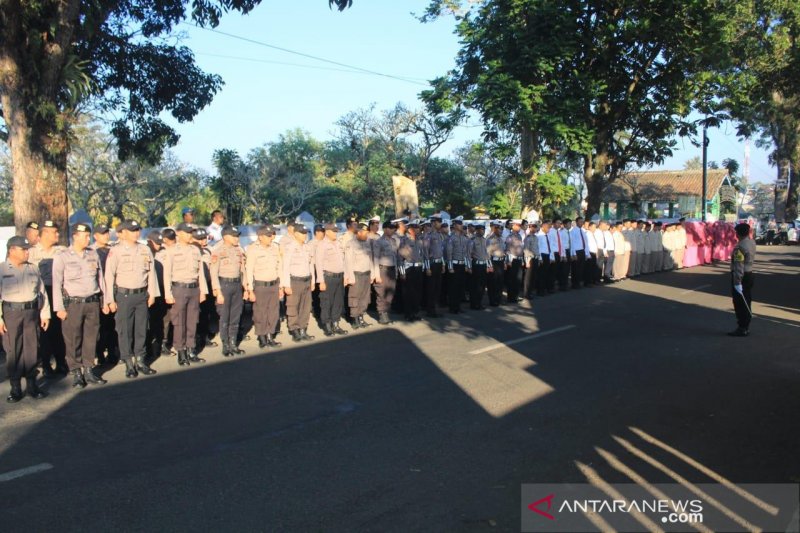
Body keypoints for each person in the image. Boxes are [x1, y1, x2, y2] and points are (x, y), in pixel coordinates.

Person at [52, 223, 110, 388]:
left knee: (91, 338)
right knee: (73, 338)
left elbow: (100, 279)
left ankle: (89, 369)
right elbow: (57, 283)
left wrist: (104, 301)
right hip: (74, 304)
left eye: (88, 235)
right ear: (75, 236)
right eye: (84, 236)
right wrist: (59, 308)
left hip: (92, 301)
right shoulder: (62, 256)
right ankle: (76, 371)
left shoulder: (93, 254)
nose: (87, 239)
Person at [104, 220, 158, 378]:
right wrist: (110, 299)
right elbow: (109, 276)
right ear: (124, 233)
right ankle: (128, 362)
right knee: (125, 330)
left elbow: (151, 273)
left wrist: (152, 293)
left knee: (141, 329)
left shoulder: (145, 249)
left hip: (141, 295)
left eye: (137, 230)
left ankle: (141, 361)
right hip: (124, 296)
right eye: (132, 230)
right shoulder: (116, 251)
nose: (136, 233)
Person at [1, 236, 50, 402]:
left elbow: (42, 293)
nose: (27, 252)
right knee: (13, 350)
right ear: (12, 250)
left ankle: (32, 385)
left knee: (32, 349)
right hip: (11, 313)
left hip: (31, 313)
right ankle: (15, 388)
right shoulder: (2, 269)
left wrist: (45, 314)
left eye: (28, 249)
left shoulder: (33, 269)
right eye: (24, 249)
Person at [163, 223, 208, 366]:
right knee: (179, 321)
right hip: (179, 288)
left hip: (194, 288)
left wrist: (203, 290)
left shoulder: (195, 250)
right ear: (179, 233)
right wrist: (168, 293)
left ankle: (191, 349)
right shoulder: (171, 251)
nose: (190, 235)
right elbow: (167, 274)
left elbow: (200, 271)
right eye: (187, 232)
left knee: (192, 320)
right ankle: (181, 351)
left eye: (191, 232)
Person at [28, 220, 67, 376]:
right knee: (44, 331)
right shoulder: (31, 252)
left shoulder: (62, 251)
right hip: (40, 294)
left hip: (58, 292)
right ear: (44, 234)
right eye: (54, 232)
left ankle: (61, 362)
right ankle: (45, 364)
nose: (57, 234)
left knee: (59, 330)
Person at [210, 225, 247, 357]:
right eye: (234, 236)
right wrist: (218, 291)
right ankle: (225, 345)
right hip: (224, 285)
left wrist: (246, 287)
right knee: (225, 316)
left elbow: (243, 270)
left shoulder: (239, 250)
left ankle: (233, 343)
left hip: (237, 285)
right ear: (225, 237)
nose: (237, 238)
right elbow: (213, 273)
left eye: (237, 236)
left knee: (236, 315)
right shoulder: (217, 250)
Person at [245, 224, 284, 348]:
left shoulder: (274, 248)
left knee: (273, 312)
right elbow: (249, 270)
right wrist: (250, 289)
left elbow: (279, 267)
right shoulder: (253, 249)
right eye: (267, 236)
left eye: (270, 236)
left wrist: (281, 286)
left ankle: (270, 336)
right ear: (260, 237)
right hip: (260, 286)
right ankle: (262, 337)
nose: (270, 238)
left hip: (273, 284)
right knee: (260, 312)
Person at [281, 223, 316, 342]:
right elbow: (285, 266)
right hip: (294, 281)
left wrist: (313, 281)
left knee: (305, 307)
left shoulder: (307, 247)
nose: (305, 235)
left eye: (306, 233)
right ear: (296, 234)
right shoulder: (290, 247)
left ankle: (303, 329)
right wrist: (286, 284)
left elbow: (311, 264)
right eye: (302, 233)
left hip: (306, 280)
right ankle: (294, 330)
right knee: (293, 307)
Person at [315, 222, 348, 336]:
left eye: (336, 231)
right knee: (326, 302)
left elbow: (343, 261)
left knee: (338, 302)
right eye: (334, 231)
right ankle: (327, 325)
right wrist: (321, 281)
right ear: (327, 232)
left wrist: (346, 276)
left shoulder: (338, 243)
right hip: (328, 277)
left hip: (339, 276)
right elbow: (318, 264)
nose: (336, 233)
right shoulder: (322, 245)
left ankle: (336, 324)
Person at [93, 223, 118, 366]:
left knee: (112, 324)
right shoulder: (91, 251)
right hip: (100, 292)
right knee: (100, 325)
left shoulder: (112, 250)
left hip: (114, 291)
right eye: (103, 233)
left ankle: (112, 351)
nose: (106, 236)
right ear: (95, 236)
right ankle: (100, 352)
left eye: (107, 233)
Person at [345, 222, 377, 328]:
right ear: (359, 232)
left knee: (365, 297)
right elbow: (348, 262)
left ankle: (361, 317)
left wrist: (372, 273)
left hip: (366, 274)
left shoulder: (367, 242)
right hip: (356, 274)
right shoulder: (351, 244)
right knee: (355, 297)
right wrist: (351, 276)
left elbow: (371, 259)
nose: (367, 235)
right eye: (365, 233)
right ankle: (354, 319)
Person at [729, 223, 756, 337]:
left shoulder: (740, 247)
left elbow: (738, 266)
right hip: (750, 273)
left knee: (739, 302)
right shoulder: (751, 242)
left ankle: (742, 327)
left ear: (738, 233)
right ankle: (746, 325)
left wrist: (737, 282)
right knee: (747, 299)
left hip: (742, 276)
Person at [398, 219, 425, 321]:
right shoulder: (404, 240)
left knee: (417, 292)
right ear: (410, 229)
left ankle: (415, 312)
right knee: (409, 293)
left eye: (418, 227)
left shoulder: (419, 240)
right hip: (409, 269)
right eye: (415, 227)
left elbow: (422, 254)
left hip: (418, 268)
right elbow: (400, 258)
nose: (418, 229)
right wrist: (402, 272)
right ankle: (408, 314)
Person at [374, 220, 399, 324]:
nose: (393, 230)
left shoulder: (393, 241)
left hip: (392, 270)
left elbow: (395, 257)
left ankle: (386, 312)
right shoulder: (379, 241)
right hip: (382, 270)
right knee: (381, 293)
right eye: (391, 228)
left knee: (390, 293)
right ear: (385, 229)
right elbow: (375, 259)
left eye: (394, 228)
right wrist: (376, 275)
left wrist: (396, 271)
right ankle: (382, 314)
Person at [445, 217, 471, 313]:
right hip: (454, 265)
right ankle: (453, 308)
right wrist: (450, 267)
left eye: (461, 224)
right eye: (459, 224)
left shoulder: (464, 238)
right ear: (455, 225)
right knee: (453, 287)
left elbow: (466, 254)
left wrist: (467, 266)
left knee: (460, 287)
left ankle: (458, 306)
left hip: (462, 265)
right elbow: (449, 253)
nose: (461, 226)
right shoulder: (451, 238)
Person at [423, 213, 446, 318]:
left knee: (438, 288)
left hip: (438, 263)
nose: (440, 224)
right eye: (438, 222)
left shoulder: (439, 234)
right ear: (433, 223)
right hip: (431, 265)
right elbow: (426, 252)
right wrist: (427, 267)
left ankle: (435, 308)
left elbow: (440, 251)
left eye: (440, 222)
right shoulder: (428, 235)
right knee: (431, 288)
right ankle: (430, 310)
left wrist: (443, 264)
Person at [486, 220, 507, 306]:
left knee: (500, 282)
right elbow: (487, 254)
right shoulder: (490, 239)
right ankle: (493, 300)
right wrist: (489, 266)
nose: (501, 230)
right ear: (494, 228)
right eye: (499, 228)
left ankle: (498, 299)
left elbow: (503, 251)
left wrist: (505, 262)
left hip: (501, 262)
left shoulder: (501, 239)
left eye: (502, 228)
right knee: (493, 283)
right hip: (493, 262)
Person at [504, 219, 525, 302]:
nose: (519, 227)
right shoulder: (510, 236)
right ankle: (511, 297)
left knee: (518, 279)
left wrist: (522, 259)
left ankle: (516, 295)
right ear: (514, 226)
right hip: (512, 259)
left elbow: (521, 248)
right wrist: (508, 260)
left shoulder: (519, 236)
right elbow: (508, 249)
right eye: (518, 225)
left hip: (519, 259)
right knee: (512, 279)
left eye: (520, 225)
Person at [569, 217, 587, 288]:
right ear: (576, 222)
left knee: (581, 268)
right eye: (580, 222)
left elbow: (585, 242)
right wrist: (573, 254)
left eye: (582, 222)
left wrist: (586, 253)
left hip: (582, 251)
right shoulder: (573, 231)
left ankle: (578, 282)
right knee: (575, 268)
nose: (581, 223)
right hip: (576, 251)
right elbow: (572, 243)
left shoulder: (582, 231)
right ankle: (574, 283)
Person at [523, 223, 539, 299]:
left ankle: (531, 292)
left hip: (536, 258)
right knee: (528, 277)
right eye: (533, 227)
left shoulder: (536, 237)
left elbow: (537, 249)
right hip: (530, 259)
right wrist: (527, 261)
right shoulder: (527, 238)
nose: (535, 229)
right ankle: (527, 293)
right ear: (530, 228)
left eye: (536, 227)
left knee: (534, 276)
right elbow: (526, 250)